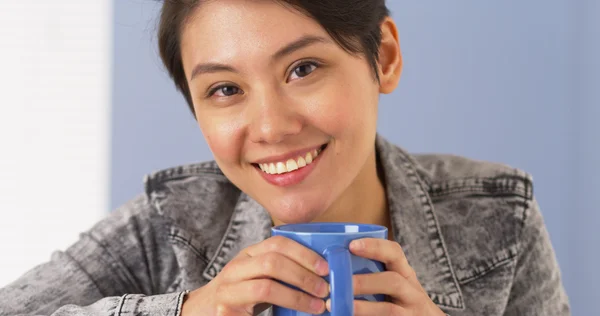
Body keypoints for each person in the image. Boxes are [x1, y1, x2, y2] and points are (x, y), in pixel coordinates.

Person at [0, 0, 570, 315]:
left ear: (385, 58)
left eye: (303, 69)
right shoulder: (163, 228)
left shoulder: (499, 217)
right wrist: (187, 314)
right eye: (225, 89)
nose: (271, 127)